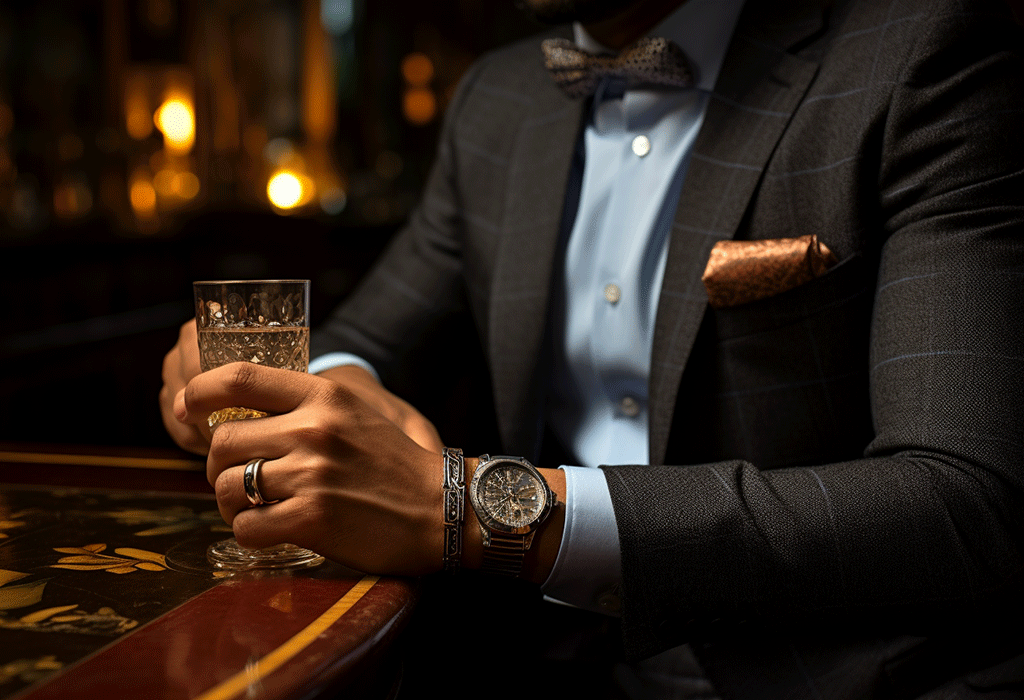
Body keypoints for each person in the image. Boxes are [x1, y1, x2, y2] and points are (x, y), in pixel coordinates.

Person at [160, 0, 1024, 696]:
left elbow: (971, 503)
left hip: (821, 666)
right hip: (518, 648)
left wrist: (474, 509)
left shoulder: (920, 51)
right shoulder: (499, 99)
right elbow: (364, 342)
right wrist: (309, 401)